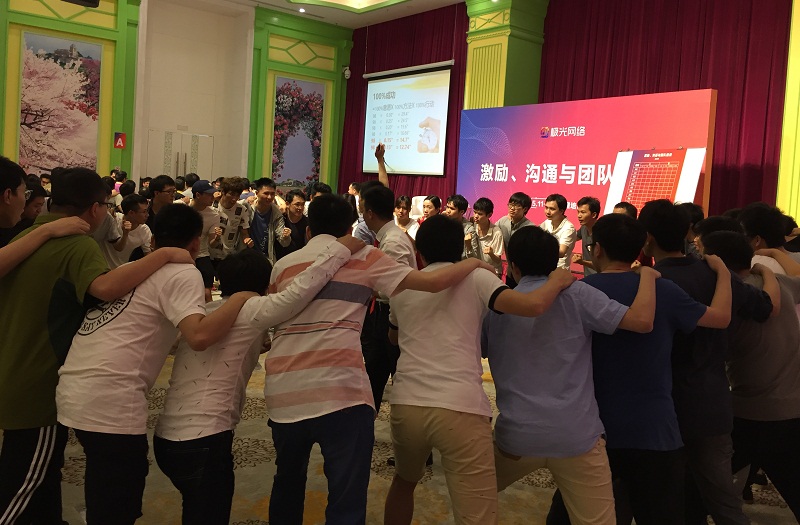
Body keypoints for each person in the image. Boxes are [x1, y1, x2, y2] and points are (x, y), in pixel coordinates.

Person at [57, 204, 362, 525]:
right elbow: (296, 295)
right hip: (202, 439)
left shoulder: (198, 305)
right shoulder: (245, 304)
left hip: (163, 438)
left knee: (117, 497)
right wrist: (339, 251)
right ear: (195, 243)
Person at [262, 194, 500, 524]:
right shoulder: (365, 257)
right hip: (342, 394)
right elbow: (430, 282)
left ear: (308, 229)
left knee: (286, 483)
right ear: (350, 229)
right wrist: (472, 263)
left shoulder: (282, 266)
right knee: (346, 498)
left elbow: (272, 321)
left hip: (285, 393)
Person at [0, 168, 193, 525]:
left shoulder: (25, 237)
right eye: (105, 206)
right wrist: (164, 255)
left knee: (43, 481)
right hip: (38, 383)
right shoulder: (76, 244)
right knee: (23, 487)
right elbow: (104, 288)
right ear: (94, 208)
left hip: (14, 368)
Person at [384, 215, 575, 525]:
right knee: (476, 509)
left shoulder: (404, 286)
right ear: (460, 248)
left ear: (419, 251)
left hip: (407, 402)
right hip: (461, 406)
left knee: (404, 482)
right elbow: (532, 307)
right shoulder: (477, 278)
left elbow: (393, 337)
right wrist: (557, 279)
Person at [548, 213, 732, 525]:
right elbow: (721, 318)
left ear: (597, 249)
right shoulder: (664, 290)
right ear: (640, 247)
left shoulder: (579, 292)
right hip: (654, 429)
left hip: (590, 428)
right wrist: (723, 274)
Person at [481, 226, 658, 525]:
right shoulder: (577, 294)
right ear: (555, 263)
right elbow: (642, 321)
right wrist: (649, 277)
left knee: (474, 502)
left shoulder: (499, 305)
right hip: (576, 436)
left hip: (517, 436)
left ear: (514, 266)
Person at [639, 199, 777, 525]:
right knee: (724, 502)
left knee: (659, 499)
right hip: (711, 404)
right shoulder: (715, 273)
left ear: (647, 238)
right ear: (687, 232)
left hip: (661, 409)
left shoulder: (647, 282)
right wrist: (765, 272)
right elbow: (764, 306)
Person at [701, 231, 800, 520]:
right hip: (790, 409)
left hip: (748, 411)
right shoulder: (780, 284)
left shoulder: (730, 297)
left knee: (699, 487)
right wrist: (768, 265)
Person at [359, 184, 418, 410]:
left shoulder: (392, 241)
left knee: (397, 374)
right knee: (375, 372)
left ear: (370, 213)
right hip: (383, 314)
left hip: (392, 317)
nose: (361, 213)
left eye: (362, 208)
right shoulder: (388, 237)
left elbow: (397, 287)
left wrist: (370, 288)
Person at [100, 194, 152, 269]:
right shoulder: (113, 219)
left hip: (122, 269)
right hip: (102, 268)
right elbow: (118, 247)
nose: (147, 215)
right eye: (144, 212)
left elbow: (148, 254)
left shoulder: (144, 230)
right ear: (131, 213)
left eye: (147, 211)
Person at [190, 180, 221, 303]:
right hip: (183, 253)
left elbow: (211, 244)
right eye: (209, 195)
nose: (212, 198)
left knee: (207, 292)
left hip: (202, 254)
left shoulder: (213, 215)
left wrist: (217, 238)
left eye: (213, 194)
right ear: (198, 195)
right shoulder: (182, 208)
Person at [248, 177, 290, 265]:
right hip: (247, 256)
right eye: (266, 193)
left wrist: (286, 237)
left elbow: (284, 242)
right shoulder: (247, 209)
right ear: (257, 193)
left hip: (266, 259)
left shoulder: (276, 213)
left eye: (272, 194)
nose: (269, 197)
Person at [496, 191, 534, 287]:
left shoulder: (530, 228)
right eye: (510, 204)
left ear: (525, 209)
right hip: (510, 271)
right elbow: (492, 230)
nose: (512, 208)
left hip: (526, 274)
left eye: (517, 206)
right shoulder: (503, 221)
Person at [0, 183, 47, 248]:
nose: (39, 210)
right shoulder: (6, 223)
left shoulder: (32, 225)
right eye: (36, 206)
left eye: (41, 205)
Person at [540, 193, 577, 270]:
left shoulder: (568, 228)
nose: (547, 212)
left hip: (560, 270)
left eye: (552, 209)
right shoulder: (546, 222)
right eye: (546, 207)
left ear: (561, 211)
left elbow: (561, 252)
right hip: (545, 267)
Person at [472, 197, 504, 278]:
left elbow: (498, 260)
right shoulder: (472, 227)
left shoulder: (497, 232)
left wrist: (491, 253)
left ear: (489, 215)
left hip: (493, 272)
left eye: (480, 214)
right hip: (476, 270)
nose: (476, 216)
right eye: (475, 212)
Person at [442, 194, 480, 260]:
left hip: (460, 264)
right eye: (447, 207)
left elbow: (474, 257)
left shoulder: (469, 229)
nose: (448, 211)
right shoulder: (442, 223)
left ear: (462, 212)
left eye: (452, 209)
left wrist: (469, 246)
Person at [571, 196, 601, 276]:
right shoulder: (584, 228)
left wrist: (582, 262)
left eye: (583, 212)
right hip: (587, 276)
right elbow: (572, 238)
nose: (579, 215)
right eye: (578, 212)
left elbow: (601, 266)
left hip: (599, 277)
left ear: (594, 215)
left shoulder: (601, 234)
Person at [276, 189, 308, 260]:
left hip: (299, 260)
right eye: (297, 204)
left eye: (302, 204)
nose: (300, 208)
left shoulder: (307, 223)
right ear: (287, 204)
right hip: (280, 260)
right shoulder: (280, 220)